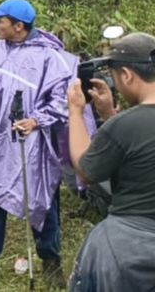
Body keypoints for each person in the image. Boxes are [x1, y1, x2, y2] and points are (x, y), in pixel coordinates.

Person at [0, 0, 76, 284]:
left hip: (32, 141)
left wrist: (36, 120)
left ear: (18, 26)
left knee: (42, 197)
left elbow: (62, 100)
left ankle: (50, 261)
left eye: (0, 21)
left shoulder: (50, 58)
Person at [67, 32, 155, 290]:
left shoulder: (125, 126)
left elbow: (86, 170)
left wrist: (75, 112)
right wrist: (109, 114)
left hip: (130, 244)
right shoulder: (123, 124)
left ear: (127, 75)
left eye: (115, 78)